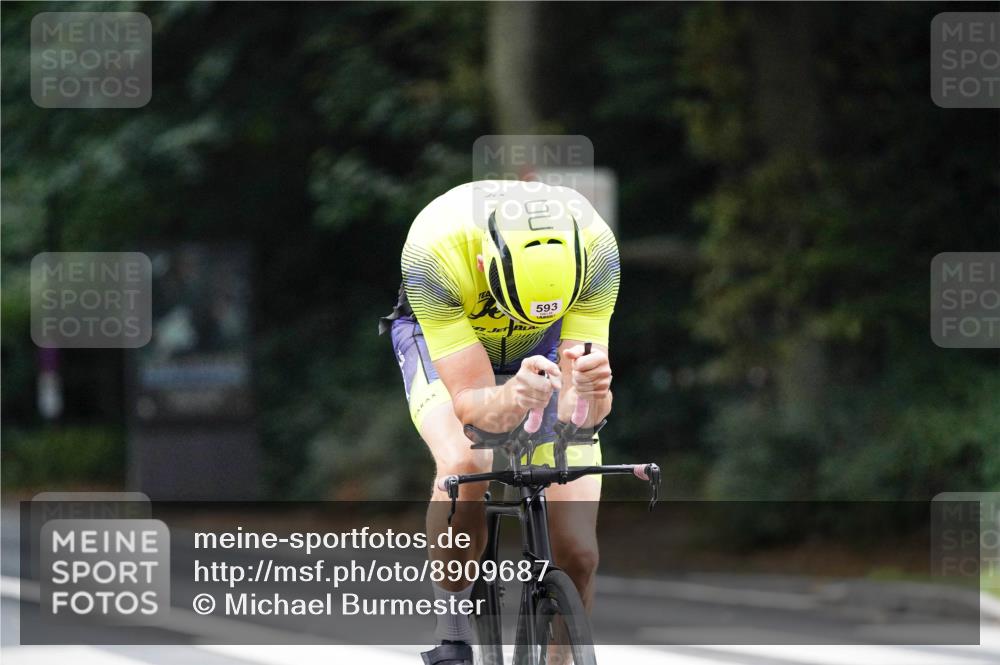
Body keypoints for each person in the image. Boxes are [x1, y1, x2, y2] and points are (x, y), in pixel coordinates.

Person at [380, 180, 620, 665]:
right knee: (466, 461)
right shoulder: (435, 249)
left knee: (579, 553)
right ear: (487, 265)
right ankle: (451, 623)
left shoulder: (596, 248)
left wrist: (593, 394)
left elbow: (583, 419)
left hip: (543, 346)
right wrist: (511, 396)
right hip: (445, 343)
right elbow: (469, 406)